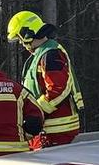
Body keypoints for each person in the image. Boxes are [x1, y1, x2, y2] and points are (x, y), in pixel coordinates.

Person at [6, 10, 84, 147]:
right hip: (48, 129)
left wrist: (35, 111)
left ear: (26, 34)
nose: (20, 43)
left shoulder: (51, 54)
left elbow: (58, 89)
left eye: (19, 38)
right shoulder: (41, 54)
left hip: (56, 130)